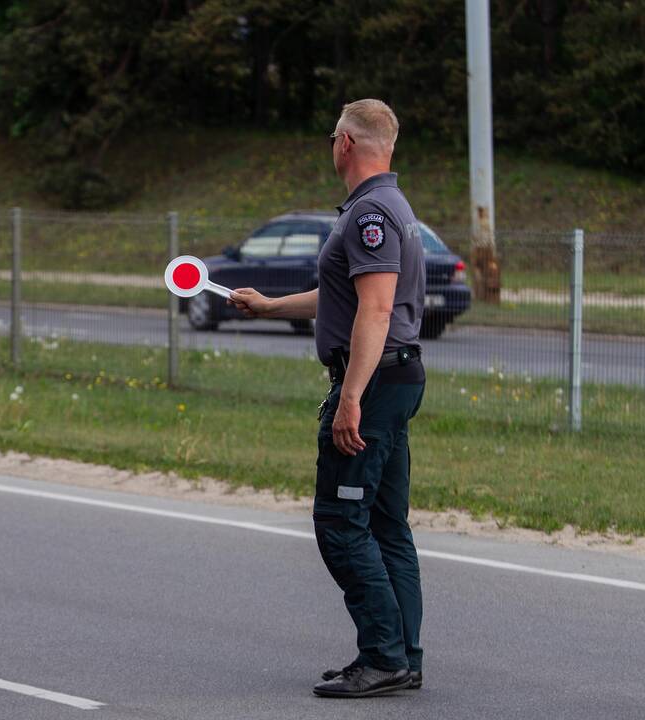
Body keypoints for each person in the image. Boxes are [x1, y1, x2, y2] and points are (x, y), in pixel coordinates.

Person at [229, 99, 426, 698]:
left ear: (345, 143)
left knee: (341, 523)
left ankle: (384, 656)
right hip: (395, 376)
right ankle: (401, 655)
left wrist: (351, 398)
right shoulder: (392, 207)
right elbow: (342, 296)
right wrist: (268, 306)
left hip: (375, 382)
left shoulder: (371, 214)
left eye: (332, 137)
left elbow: (376, 307)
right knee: (387, 524)